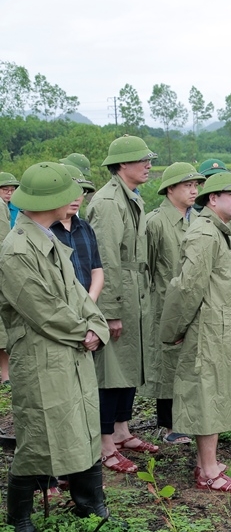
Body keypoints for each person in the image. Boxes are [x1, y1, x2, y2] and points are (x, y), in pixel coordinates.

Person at [0, 162, 111, 531]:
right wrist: (85, 333)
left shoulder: (50, 238)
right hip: (41, 356)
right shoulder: (16, 250)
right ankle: (21, 517)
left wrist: (95, 325)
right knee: (39, 432)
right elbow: (41, 310)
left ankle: (90, 505)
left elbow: (80, 294)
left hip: (71, 352)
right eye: (70, 192)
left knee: (82, 425)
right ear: (53, 200)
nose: (77, 198)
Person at [160, 172, 231, 492]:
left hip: (219, 325)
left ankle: (207, 462)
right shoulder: (204, 233)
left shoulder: (219, 230)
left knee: (212, 393)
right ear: (213, 199)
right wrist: (176, 328)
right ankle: (208, 471)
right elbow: (187, 288)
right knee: (206, 395)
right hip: (208, 328)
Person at [87, 135, 158, 474]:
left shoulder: (130, 198)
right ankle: (103, 443)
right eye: (141, 160)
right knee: (111, 368)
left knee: (129, 363)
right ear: (121, 165)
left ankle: (121, 430)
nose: (148, 165)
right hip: (120, 292)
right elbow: (105, 259)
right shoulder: (107, 202)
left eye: (149, 159)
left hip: (135, 291)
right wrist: (111, 311)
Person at [145, 162, 206, 445]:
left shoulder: (200, 220)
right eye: (187, 185)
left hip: (195, 304)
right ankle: (168, 425)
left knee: (192, 363)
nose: (194, 191)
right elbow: (145, 267)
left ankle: (191, 419)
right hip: (164, 303)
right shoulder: (155, 222)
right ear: (170, 189)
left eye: (196, 186)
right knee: (167, 363)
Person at [51, 166, 104, 302]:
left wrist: (90, 300)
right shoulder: (45, 230)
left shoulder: (85, 228)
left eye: (81, 191)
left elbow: (96, 268)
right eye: (70, 192)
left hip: (88, 308)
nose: (76, 198)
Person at [0, 172, 19, 386]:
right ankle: (5, 374)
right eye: (4, 188)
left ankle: (8, 372)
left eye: (12, 188)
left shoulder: (18, 209)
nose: (9, 191)